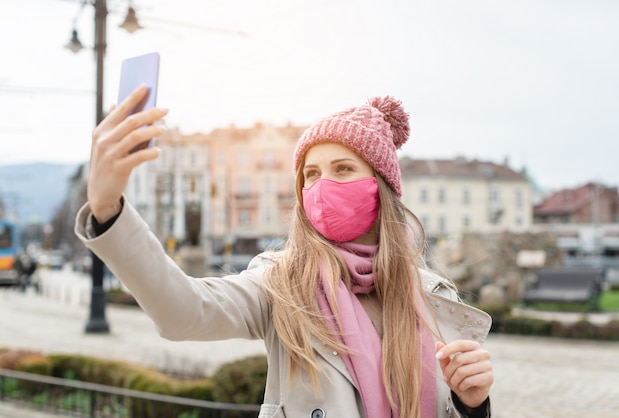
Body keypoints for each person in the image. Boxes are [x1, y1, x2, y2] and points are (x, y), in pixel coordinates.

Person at [75, 85, 494, 418]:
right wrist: (109, 209)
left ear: (381, 186)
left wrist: (472, 407)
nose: (321, 186)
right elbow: (183, 311)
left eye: (343, 169)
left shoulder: (435, 297)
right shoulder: (282, 283)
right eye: (310, 175)